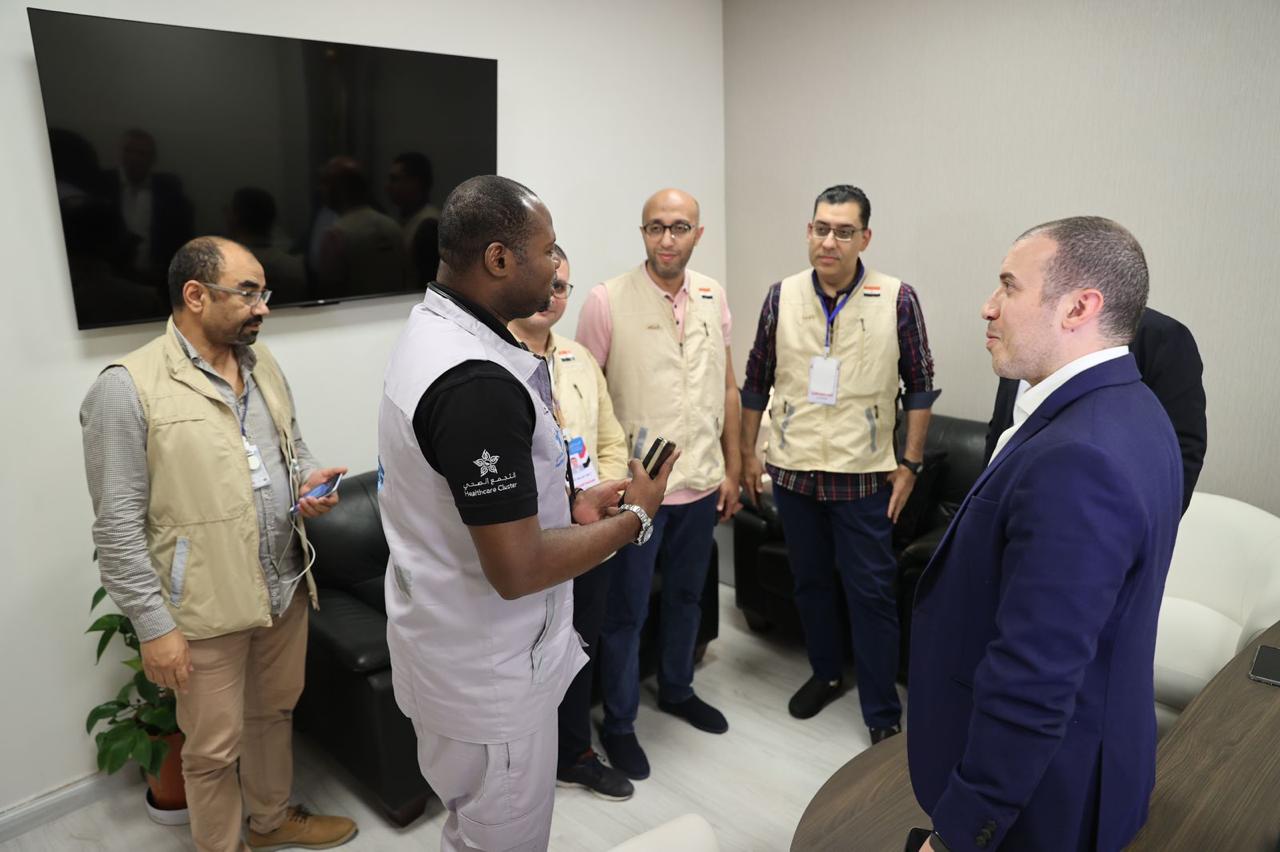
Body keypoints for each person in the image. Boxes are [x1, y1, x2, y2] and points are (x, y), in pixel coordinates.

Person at [378, 175, 673, 851]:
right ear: (498, 259)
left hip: (448, 652)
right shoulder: (474, 381)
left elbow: (471, 504)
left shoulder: (431, 332)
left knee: (470, 829)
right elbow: (516, 568)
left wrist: (573, 506)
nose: (555, 266)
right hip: (490, 681)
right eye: (547, 250)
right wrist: (635, 518)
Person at [907, 217, 1183, 852]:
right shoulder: (1138, 409)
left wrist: (956, 835)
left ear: (1079, 308)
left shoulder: (1079, 457)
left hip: (1044, 799)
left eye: (1009, 286)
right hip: (1090, 758)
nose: (989, 306)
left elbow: (1034, 677)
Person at [80, 236, 356, 852]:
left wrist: (307, 481)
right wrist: (154, 627)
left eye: (264, 292)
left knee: (274, 715)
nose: (263, 307)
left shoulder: (262, 364)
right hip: (203, 609)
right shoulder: (126, 387)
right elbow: (117, 526)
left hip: (282, 586)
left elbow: (292, 446)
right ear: (196, 295)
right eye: (249, 293)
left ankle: (271, 821)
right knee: (210, 751)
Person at [740, 185, 939, 740]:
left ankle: (882, 713)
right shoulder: (781, 297)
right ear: (810, 231)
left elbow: (920, 386)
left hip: (864, 476)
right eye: (821, 228)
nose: (830, 241)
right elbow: (755, 381)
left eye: (844, 231)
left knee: (871, 593)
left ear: (864, 238)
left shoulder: (896, 298)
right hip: (793, 471)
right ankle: (826, 673)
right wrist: (747, 455)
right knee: (810, 583)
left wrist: (910, 464)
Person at [575, 188, 741, 781]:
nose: (667, 239)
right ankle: (619, 723)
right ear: (642, 232)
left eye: (679, 227)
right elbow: (585, 397)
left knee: (688, 598)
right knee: (625, 614)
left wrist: (733, 467)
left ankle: (677, 689)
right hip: (637, 495)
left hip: (701, 483)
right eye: (655, 227)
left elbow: (727, 386)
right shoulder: (606, 301)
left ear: (698, 233)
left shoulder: (712, 295)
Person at [507, 244, 635, 802]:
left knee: (580, 647)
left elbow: (610, 440)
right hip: (528, 545)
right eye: (544, 283)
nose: (551, 296)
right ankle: (524, 763)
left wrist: (603, 499)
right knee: (527, 658)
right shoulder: (492, 361)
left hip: (588, 538)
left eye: (561, 287)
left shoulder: (579, 358)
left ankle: (575, 754)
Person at [984, 306, 1206, 513]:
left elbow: (1182, 451)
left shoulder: (1159, 336)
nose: (989, 309)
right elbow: (1004, 426)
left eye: (1010, 286)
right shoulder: (1023, 335)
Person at [101, 128, 194, 281]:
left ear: (152, 159)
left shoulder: (170, 195)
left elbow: (182, 240)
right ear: (120, 154)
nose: (134, 158)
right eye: (128, 151)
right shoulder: (101, 186)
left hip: (155, 278)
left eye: (142, 153)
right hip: (107, 278)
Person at [314, 156, 406, 296]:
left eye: (326, 183)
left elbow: (329, 293)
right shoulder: (393, 226)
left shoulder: (335, 235)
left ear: (340, 189)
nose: (321, 189)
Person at [386, 151, 441, 286]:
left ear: (415, 182)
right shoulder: (405, 220)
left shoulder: (429, 225)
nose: (388, 187)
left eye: (395, 179)